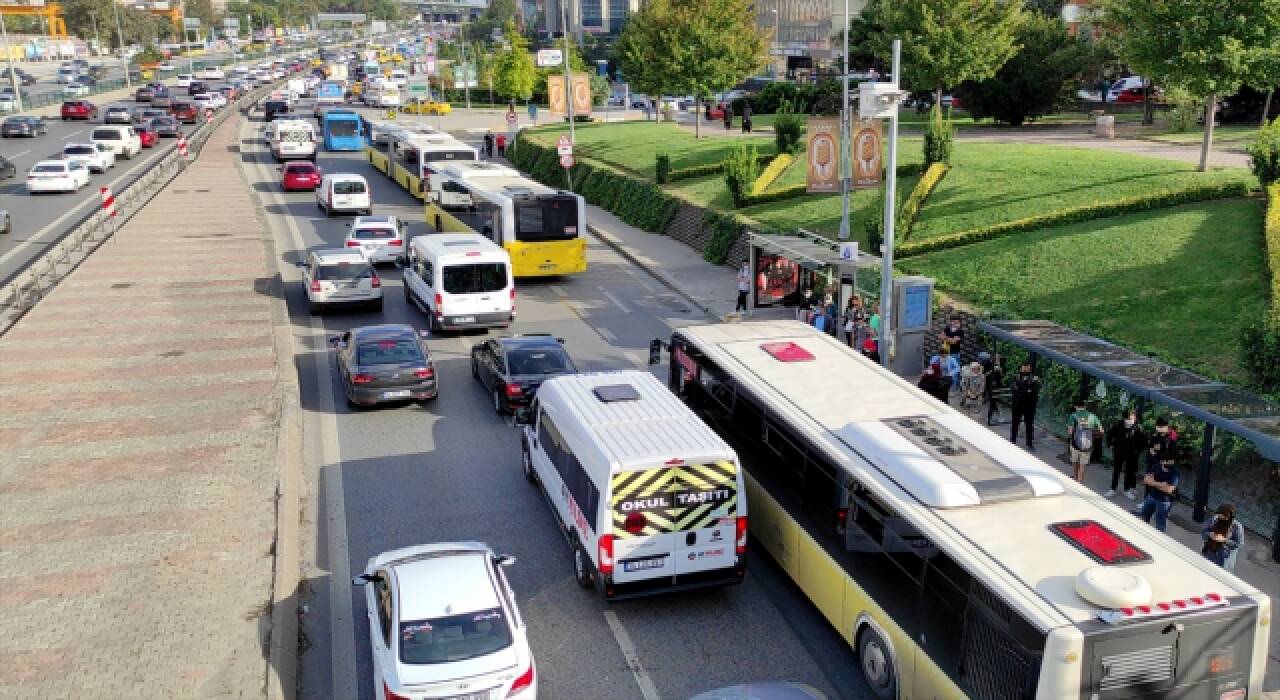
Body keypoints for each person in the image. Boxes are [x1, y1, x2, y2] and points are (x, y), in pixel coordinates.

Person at [1139, 439, 1179, 532]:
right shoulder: (1156, 466)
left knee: (1160, 524)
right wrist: (1160, 484)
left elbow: (1169, 490)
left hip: (1164, 502)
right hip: (1151, 496)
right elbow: (1145, 480)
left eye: (1171, 461)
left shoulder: (1175, 472)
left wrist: (1152, 483)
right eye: (1168, 461)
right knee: (1144, 516)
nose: (1170, 463)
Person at [1105, 409, 1146, 499]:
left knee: (1129, 471)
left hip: (1131, 454)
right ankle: (1113, 488)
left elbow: (1143, 442)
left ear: (1134, 417)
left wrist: (1137, 451)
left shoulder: (1138, 428)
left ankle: (1126, 490)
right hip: (1119, 451)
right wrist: (1110, 444)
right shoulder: (1119, 424)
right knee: (1116, 470)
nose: (1129, 421)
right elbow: (1110, 434)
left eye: (1131, 418)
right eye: (1127, 419)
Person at [1201, 503, 1244, 571]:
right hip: (1208, 553)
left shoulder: (1237, 527)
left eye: (1224, 517)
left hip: (1223, 559)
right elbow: (1203, 532)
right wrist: (1210, 534)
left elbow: (1239, 544)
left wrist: (1224, 540)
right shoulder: (1215, 520)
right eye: (1219, 516)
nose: (1220, 518)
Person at [1066, 401, 1102, 482]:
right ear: (1085, 407)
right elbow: (1101, 430)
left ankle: (1075, 477)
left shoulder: (1073, 416)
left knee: (1074, 461)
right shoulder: (1093, 416)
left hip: (1075, 444)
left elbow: (1070, 431)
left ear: (1076, 406)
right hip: (1088, 445)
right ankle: (1080, 481)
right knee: (1083, 464)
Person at [1009, 361, 1041, 448]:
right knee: (1015, 422)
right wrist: (1027, 391)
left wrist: (1022, 391)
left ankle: (1029, 442)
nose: (1026, 369)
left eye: (1028, 367)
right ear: (1021, 368)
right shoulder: (1016, 377)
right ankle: (1013, 440)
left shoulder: (1034, 378)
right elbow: (1014, 389)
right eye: (1024, 367)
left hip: (1029, 406)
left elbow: (1035, 390)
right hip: (1017, 405)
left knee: (1029, 424)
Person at [981, 352, 1005, 425]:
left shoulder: (1001, 364)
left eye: (998, 358)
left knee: (996, 401)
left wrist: (1000, 370)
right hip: (990, 385)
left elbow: (1003, 375)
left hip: (998, 385)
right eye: (996, 358)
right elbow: (984, 374)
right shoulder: (987, 364)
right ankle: (993, 417)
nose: (998, 360)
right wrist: (992, 370)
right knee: (993, 401)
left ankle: (995, 416)